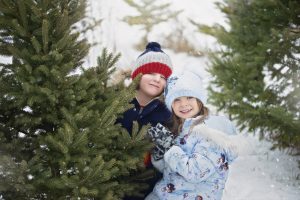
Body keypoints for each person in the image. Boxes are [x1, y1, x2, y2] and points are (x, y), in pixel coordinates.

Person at [145, 71, 238, 200]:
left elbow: (194, 173)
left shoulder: (211, 133)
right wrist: (161, 154)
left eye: (189, 97)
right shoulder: (183, 129)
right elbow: (173, 172)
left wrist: (170, 149)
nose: (183, 104)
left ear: (199, 100)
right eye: (177, 99)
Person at [116, 42, 173, 199]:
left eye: (163, 77)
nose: (157, 80)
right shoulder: (118, 104)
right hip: (110, 184)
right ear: (138, 75)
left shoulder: (166, 114)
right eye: (151, 73)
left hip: (147, 190)